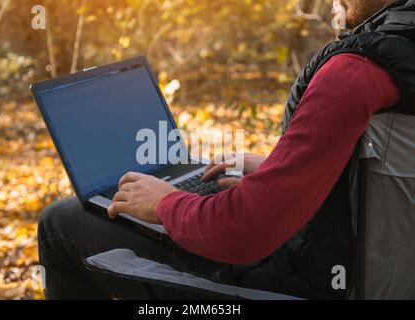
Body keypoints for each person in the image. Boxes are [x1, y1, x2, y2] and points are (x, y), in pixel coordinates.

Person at [38, 0, 415, 299]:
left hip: (291, 286)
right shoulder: (402, 57)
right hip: (377, 276)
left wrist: (165, 203)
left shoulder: (353, 74)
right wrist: (277, 174)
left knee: (61, 222)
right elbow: (385, 196)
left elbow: (244, 231)